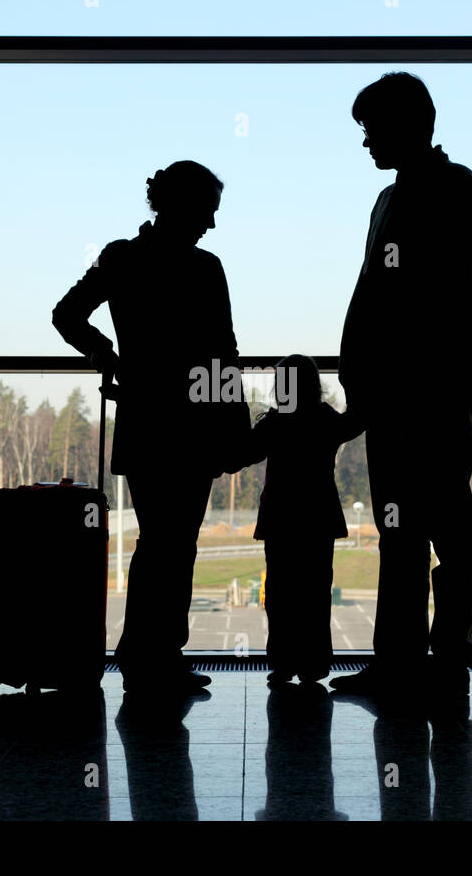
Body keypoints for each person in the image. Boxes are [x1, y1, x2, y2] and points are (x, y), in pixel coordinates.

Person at [52, 160, 250, 693]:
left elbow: (67, 314)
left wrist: (109, 358)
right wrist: (236, 424)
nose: (210, 223)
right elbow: (223, 355)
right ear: (184, 206)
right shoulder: (206, 269)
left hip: (145, 422)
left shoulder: (121, 259)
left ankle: (147, 654)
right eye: (208, 210)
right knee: (174, 543)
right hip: (194, 427)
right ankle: (155, 653)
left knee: (159, 541)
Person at [331, 72, 472, 699]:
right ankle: (402, 659)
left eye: (371, 129)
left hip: (429, 391)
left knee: (446, 527)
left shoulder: (453, 189)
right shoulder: (392, 199)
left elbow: (425, 297)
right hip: (393, 393)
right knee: (402, 531)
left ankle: (446, 651)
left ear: (405, 125)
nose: (366, 142)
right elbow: (378, 292)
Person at [239, 354, 362, 684]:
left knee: (280, 593)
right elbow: (355, 421)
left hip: (281, 517)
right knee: (315, 593)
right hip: (317, 517)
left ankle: (283, 660)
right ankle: (314, 662)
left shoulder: (275, 423)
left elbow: (245, 452)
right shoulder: (325, 419)